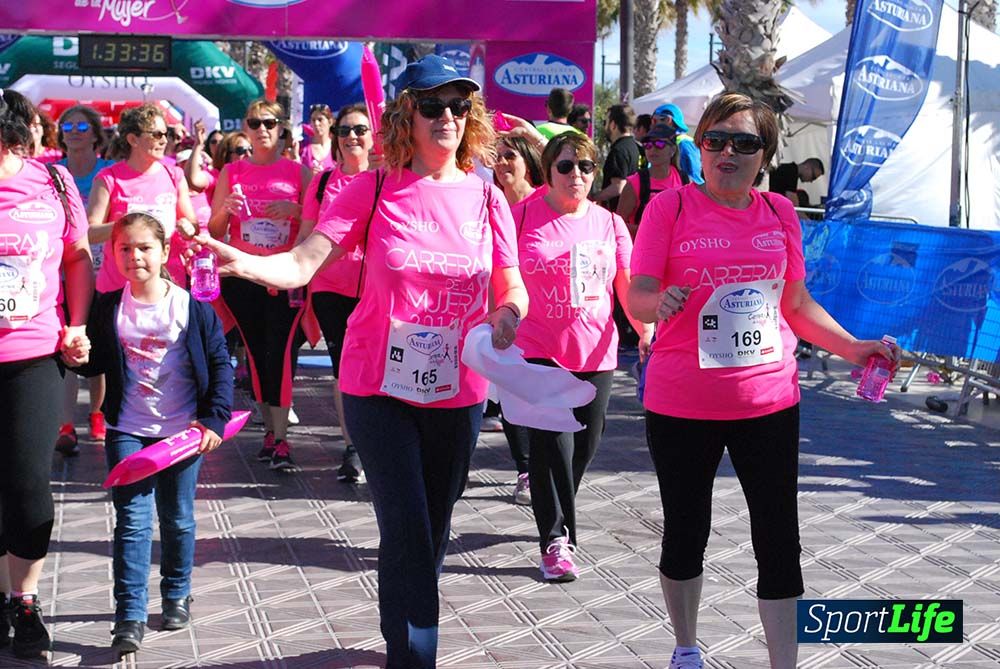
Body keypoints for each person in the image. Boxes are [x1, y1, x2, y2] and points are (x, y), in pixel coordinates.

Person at [192, 53, 528, 669]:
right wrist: (240, 260)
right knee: (406, 523)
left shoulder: (487, 199)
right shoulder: (371, 188)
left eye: (458, 106)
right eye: (432, 105)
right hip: (376, 386)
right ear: (407, 115)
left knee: (431, 527)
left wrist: (507, 317)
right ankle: (417, 653)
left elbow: (512, 286)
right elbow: (301, 262)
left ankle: (399, 618)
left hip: (459, 391)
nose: (447, 117)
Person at [627, 93, 900, 669]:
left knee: (779, 542)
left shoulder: (778, 213)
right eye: (716, 140)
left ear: (765, 153)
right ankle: (686, 646)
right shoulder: (669, 210)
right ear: (698, 146)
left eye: (744, 143)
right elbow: (637, 294)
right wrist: (660, 301)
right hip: (683, 402)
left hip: (769, 401)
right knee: (685, 533)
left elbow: (796, 303)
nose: (728, 152)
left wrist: (854, 347)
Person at [78, 212, 232, 656]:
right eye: (124, 248)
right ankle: (128, 616)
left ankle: (177, 593)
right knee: (131, 523)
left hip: (182, 433)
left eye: (144, 247)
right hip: (127, 428)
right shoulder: (109, 306)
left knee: (178, 517)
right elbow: (94, 363)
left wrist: (215, 419)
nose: (134, 256)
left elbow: (220, 362)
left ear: (164, 253)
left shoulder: (190, 306)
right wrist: (76, 352)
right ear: (114, 254)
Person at [513, 131, 651, 581]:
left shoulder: (610, 224)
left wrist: (647, 328)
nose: (577, 175)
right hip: (538, 350)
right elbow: (500, 274)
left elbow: (628, 285)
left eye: (587, 167)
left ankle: (551, 500)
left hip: (596, 351)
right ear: (548, 172)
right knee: (553, 445)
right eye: (567, 166)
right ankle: (556, 540)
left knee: (584, 446)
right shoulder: (521, 217)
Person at [0, 93, 93, 659]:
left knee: (28, 487)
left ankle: (24, 599)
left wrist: (77, 324)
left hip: (33, 352)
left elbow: (77, 255)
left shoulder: (52, 183)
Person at [207, 99, 312, 472]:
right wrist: (226, 212)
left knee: (280, 354)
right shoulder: (232, 172)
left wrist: (295, 211)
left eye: (270, 122)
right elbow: (215, 231)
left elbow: (317, 225)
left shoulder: (299, 173)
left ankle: (282, 439)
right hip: (244, 277)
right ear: (246, 130)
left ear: (281, 128)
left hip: (285, 276)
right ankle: (270, 432)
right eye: (255, 123)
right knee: (255, 354)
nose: (263, 129)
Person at [297, 103, 373, 483]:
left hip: (376, 288)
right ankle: (353, 447)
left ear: (372, 137)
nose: (352, 137)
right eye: (345, 131)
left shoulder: (386, 179)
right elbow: (307, 234)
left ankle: (377, 441)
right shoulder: (323, 180)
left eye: (360, 129)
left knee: (376, 364)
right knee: (345, 367)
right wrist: (294, 279)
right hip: (330, 287)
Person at [54, 105, 114, 455]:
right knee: (67, 345)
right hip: (61, 273)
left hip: (103, 271)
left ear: (94, 134)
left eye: (81, 125)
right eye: (68, 126)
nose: (74, 131)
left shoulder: (108, 173)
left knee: (97, 348)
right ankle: (66, 424)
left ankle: (96, 413)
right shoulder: (52, 172)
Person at [492, 134, 545, 504]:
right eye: (497, 157)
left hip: (550, 315)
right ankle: (526, 469)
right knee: (509, 388)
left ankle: (552, 465)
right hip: (508, 312)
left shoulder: (547, 199)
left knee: (544, 398)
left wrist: (534, 135)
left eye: (510, 156)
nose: (503, 163)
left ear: (528, 160)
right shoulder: (492, 204)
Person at [617, 123, 684, 238]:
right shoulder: (635, 182)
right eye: (647, 145)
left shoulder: (683, 179)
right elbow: (618, 224)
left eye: (659, 144)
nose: (652, 149)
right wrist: (649, 231)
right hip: (643, 250)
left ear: (672, 150)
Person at [594, 104, 640, 212]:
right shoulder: (637, 147)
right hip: (634, 212)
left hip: (618, 213)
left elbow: (618, 186)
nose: (605, 127)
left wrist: (593, 197)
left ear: (613, 125)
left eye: (605, 122)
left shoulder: (618, 150)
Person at [652, 103, 704, 185]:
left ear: (668, 120)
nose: (653, 126)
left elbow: (695, 176)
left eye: (655, 121)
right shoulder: (667, 142)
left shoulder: (685, 143)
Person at [300, 103, 336, 173]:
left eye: (320, 120)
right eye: (313, 120)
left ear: (330, 122)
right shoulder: (302, 147)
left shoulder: (337, 146)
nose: (316, 123)